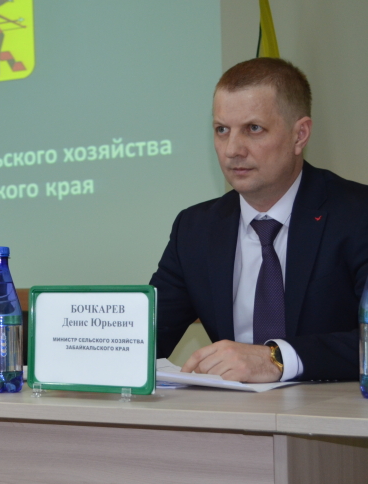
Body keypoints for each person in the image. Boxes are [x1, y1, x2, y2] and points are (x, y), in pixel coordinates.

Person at [151, 58, 368, 382]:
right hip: (236, 413)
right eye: (222, 130)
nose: (232, 150)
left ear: (300, 135)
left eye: (253, 129)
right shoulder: (195, 228)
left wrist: (277, 359)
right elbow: (145, 338)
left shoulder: (357, 214)